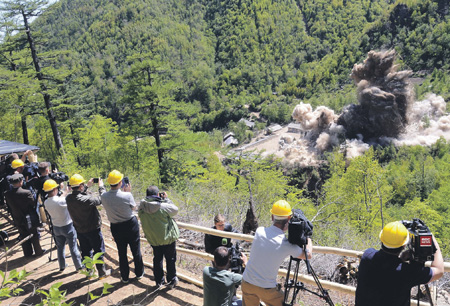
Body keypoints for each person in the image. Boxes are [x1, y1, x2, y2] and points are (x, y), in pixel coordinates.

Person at [355, 221, 444, 306]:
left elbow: (386, 270)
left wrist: (400, 259)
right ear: (404, 245)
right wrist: (430, 237)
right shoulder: (407, 272)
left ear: (382, 240)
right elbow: (439, 270)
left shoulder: (367, 255)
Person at [241, 200, 312, 306]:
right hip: (267, 289)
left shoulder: (260, 231)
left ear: (272, 217)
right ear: (289, 219)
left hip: (247, 283)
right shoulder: (286, 245)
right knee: (282, 300)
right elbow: (308, 255)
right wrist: (308, 237)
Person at [101, 170, 144, 283]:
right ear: (120, 182)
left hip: (116, 227)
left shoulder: (104, 196)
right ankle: (139, 273)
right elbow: (133, 208)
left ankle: (125, 276)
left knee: (121, 252)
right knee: (136, 250)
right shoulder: (127, 195)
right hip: (130, 225)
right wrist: (128, 192)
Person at [66, 174, 111, 279]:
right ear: (80, 186)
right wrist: (101, 187)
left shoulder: (69, 198)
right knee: (98, 250)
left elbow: (79, 195)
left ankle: (89, 272)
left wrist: (86, 186)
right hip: (93, 228)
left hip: (80, 229)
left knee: (85, 251)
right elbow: (100, 199)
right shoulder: (87, 199)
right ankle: (102, 272)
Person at [139, 185, 179, 288]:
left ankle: (159, 282)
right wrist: (166, 199)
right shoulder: (163, 206)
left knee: (157, 259)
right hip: (167, 239)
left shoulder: (142, 207)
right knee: (170, 259)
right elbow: (175, 210)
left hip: (153, 239)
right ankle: (171, 281)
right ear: (157, 195)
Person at [43, 179, 83, 272]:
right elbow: (63, 200)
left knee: (60, 248)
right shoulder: (60, 201)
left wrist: (66, 191)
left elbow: (59, 199)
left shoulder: (46, 202)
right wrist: (67, 192)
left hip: (56, 227)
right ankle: (79, 266)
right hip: (67, 226)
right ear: (54, 190)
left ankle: (62, 266)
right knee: (73, 247)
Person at [4, 173, 45, 257]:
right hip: (28, 217)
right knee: (34, 234)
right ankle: (38, 251)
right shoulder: (26, 192)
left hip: (17, 217)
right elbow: (33, 204)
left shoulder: (7, 194)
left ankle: (27, 253)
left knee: (23, 235)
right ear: (20, 182)